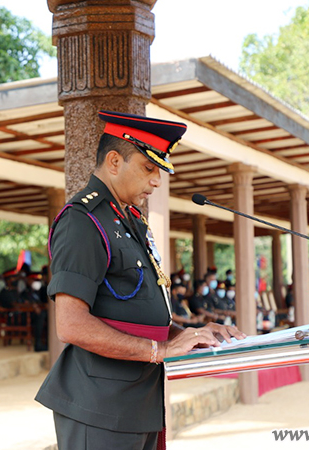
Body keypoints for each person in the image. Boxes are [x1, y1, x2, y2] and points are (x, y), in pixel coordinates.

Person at [35, 110, 245, 450]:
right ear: (114, 162)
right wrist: (160, 350)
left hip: (137, 400)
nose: (157, 181)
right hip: (101, 405)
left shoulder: (130, 220)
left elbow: (137, 313)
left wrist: (190, 335)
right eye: (149, 168)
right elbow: (71, 325)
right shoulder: (83, 221)